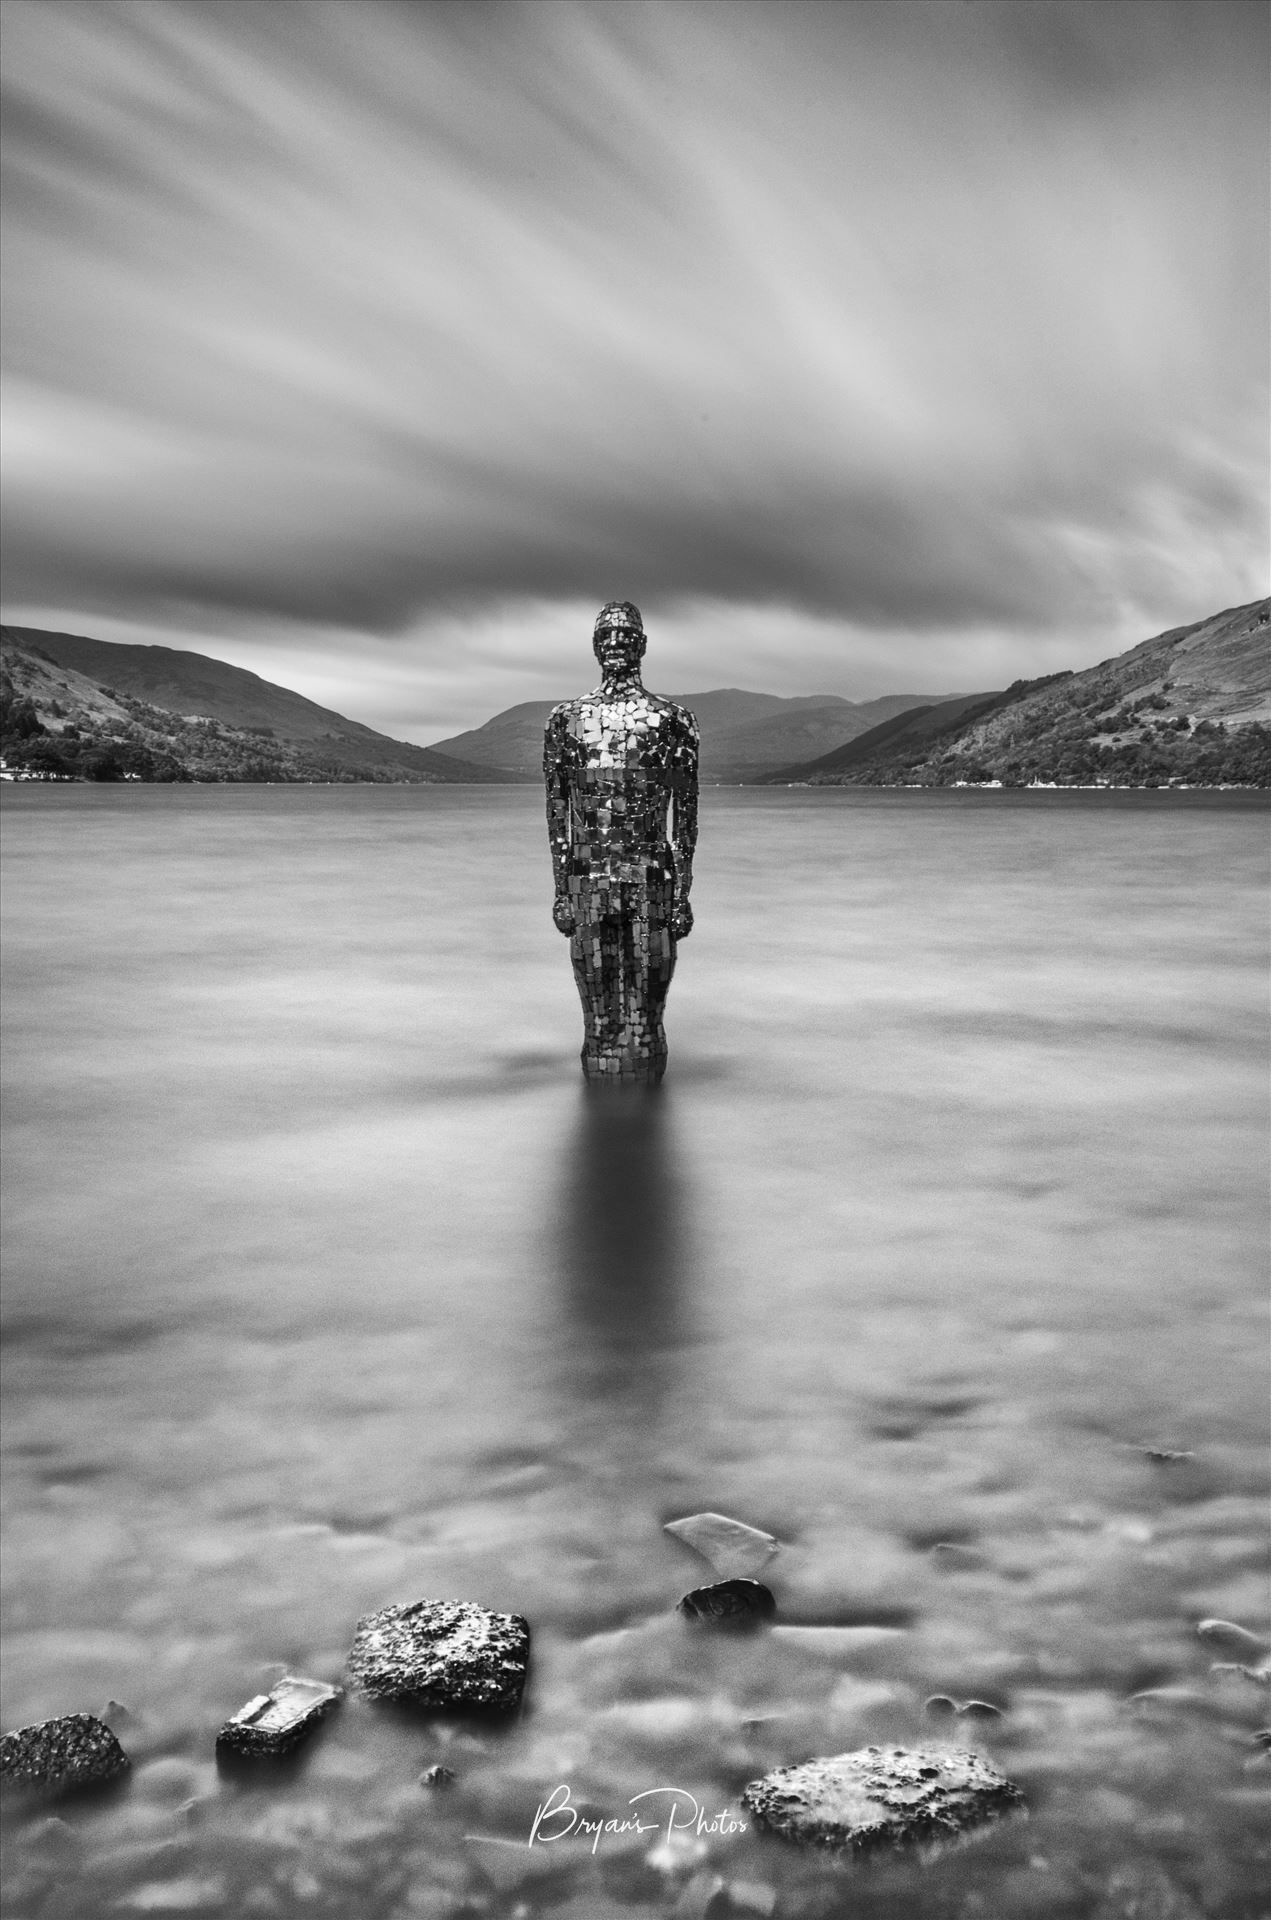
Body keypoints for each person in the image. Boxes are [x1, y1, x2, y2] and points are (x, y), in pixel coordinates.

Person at [544, 602, 699, 1082]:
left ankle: (643, 1088)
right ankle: (605, 1097)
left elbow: (686, 817)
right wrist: (560, 892)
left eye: (626, 634)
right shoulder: (566, 722)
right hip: (588, 880)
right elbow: (557, 815)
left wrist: (682, 894)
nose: (616, 643)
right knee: (600, 1015)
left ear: (643, 645)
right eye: (607, 635)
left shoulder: (673, 722)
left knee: (648, 1010)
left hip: (651, 878)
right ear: (594, 647)